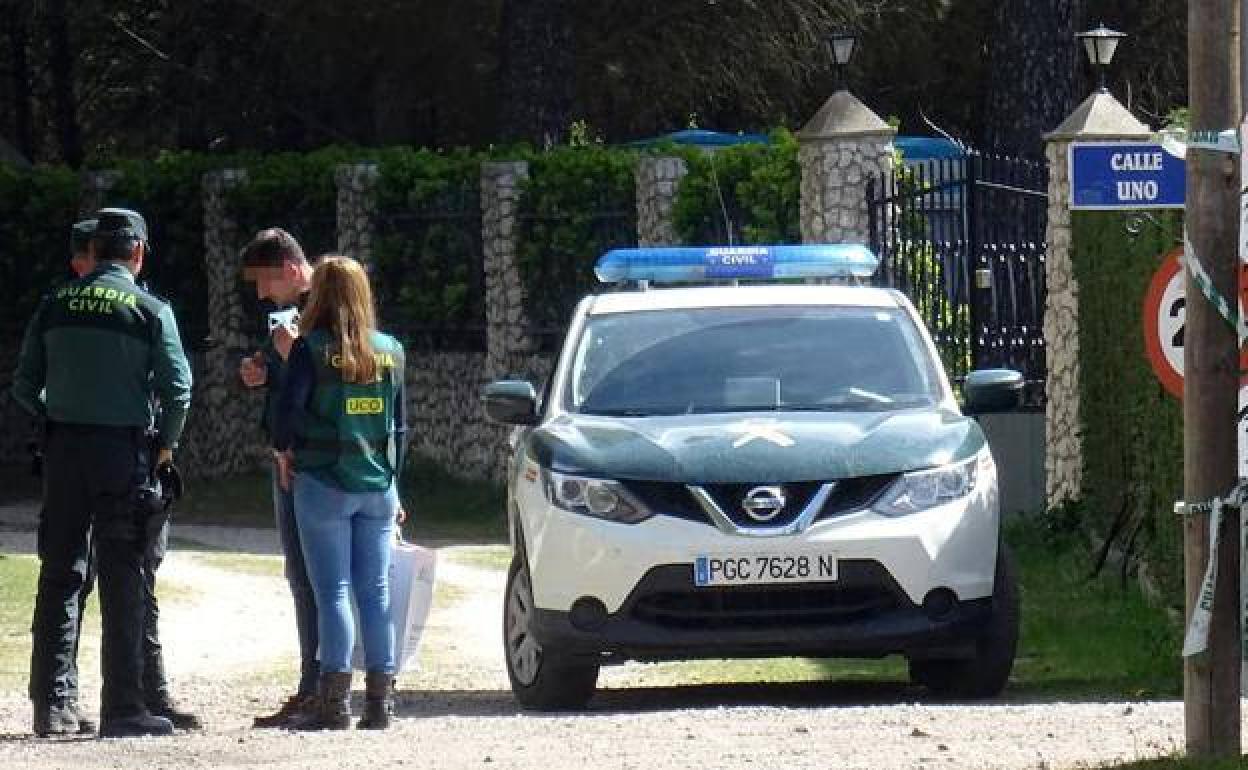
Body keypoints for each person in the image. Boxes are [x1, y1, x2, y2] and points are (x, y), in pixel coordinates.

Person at [13, 207, 192, 738]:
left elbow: (24, 386)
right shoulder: (149, 308)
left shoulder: (54, 304)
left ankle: (53, 705)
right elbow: (178, 388)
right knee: (123, 575)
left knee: (61, 572)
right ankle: (124, 708)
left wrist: (57, 413)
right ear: (137, 252)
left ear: (95, 251)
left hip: (64, 452)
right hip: (123, 454)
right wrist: (165, 446)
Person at [271, 256, 407, 730]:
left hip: (323, 482)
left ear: (321, 296)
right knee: (376, 591)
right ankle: (380, 702)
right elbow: (399, 428)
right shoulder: (391, 350)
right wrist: (397, 484)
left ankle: (334, 704)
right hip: (378, 484)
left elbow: (283, 420)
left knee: (333, 593)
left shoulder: (310, 349)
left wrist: (285, 451)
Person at [239, 228, 322, 727]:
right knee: (304, 577)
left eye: (265, 281)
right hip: (290, 455)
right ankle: (314, 684)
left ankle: (321, 687)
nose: (260, 293)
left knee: (317, 579)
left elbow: (324, 380)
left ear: (291, 271)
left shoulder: (326, 311)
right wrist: (262, 370)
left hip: (309, 459)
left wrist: (288, 444)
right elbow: (287, 373)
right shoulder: (288, 314)